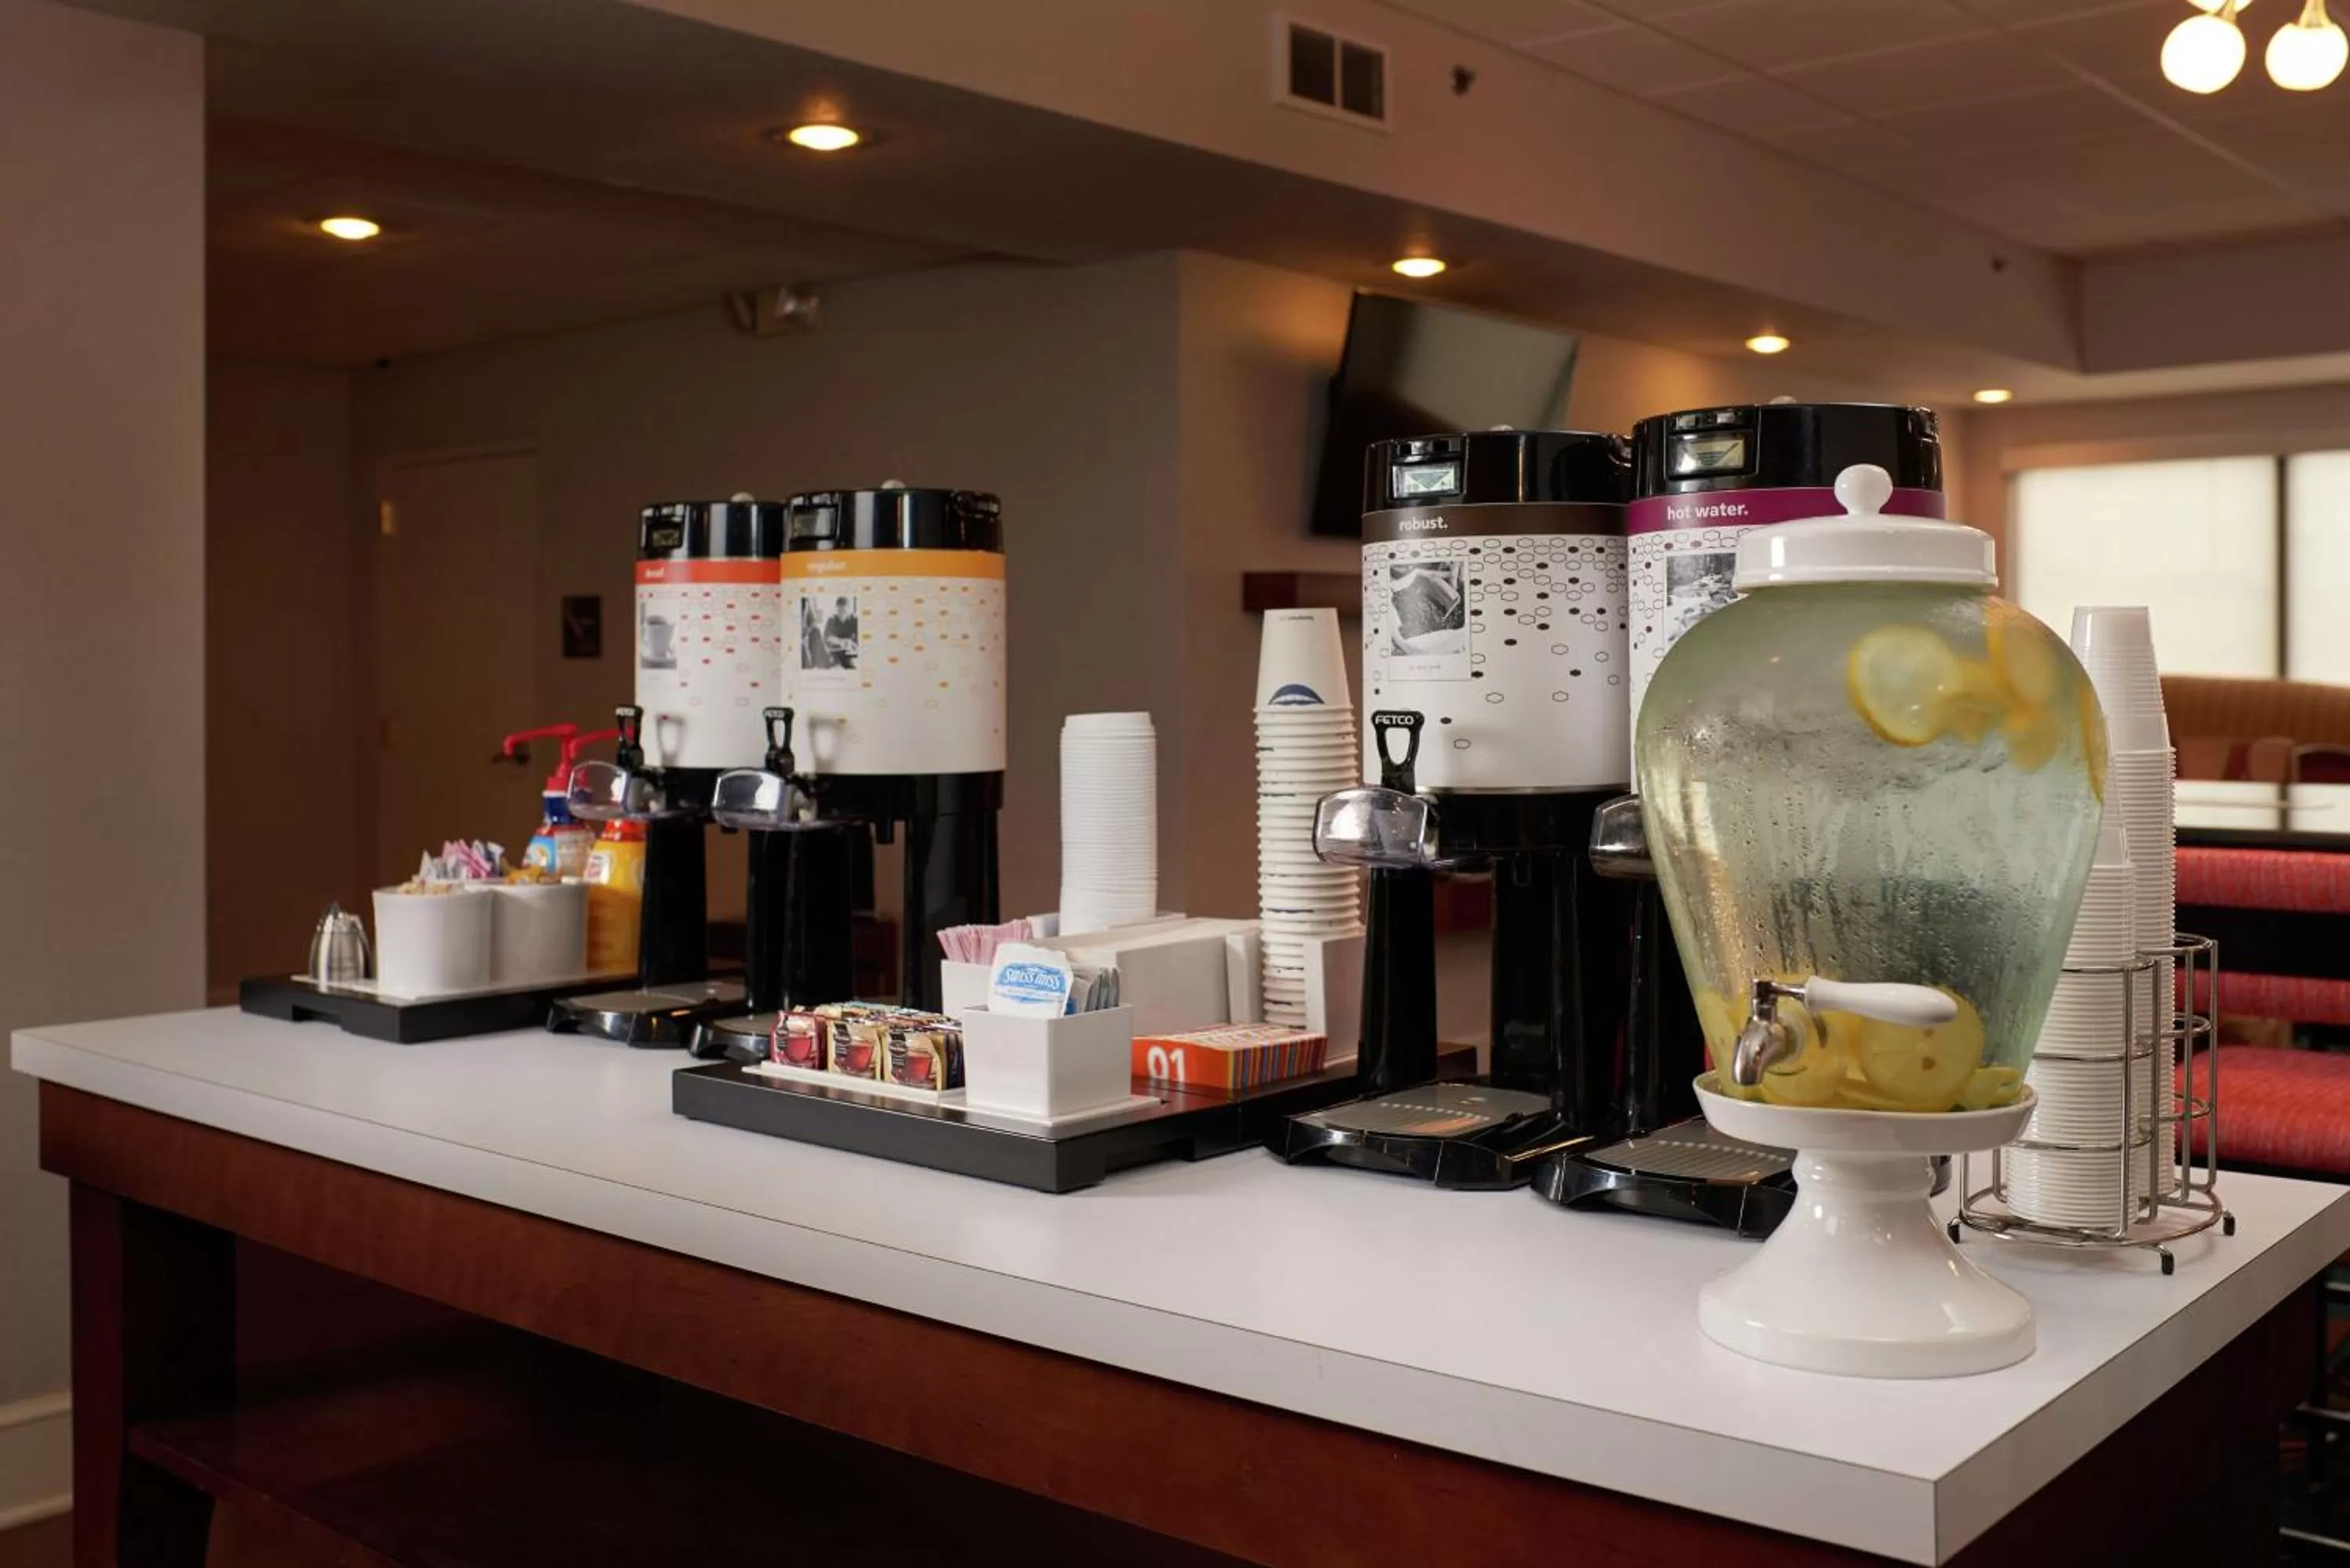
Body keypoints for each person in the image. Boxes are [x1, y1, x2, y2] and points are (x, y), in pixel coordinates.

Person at [823, 596, 859, 670]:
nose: (842, 615)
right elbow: (826, 638)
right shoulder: (831, 620)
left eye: (844, 612)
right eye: (839, 611)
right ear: (836, 609)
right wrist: (840, 642)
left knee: (852, 667)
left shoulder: (855, 620)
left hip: (851, 654)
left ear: (849, 609)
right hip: (835, 653)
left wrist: (852, 644)